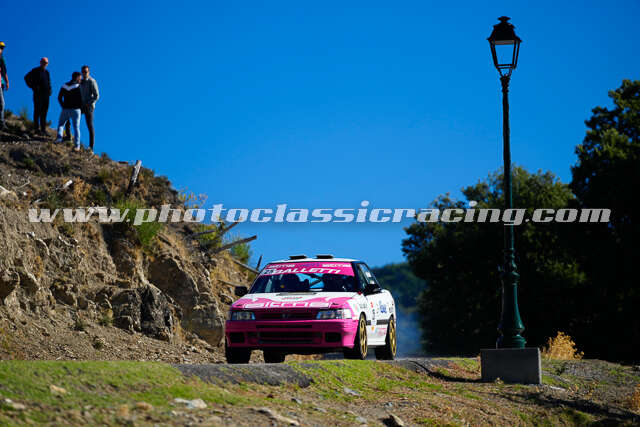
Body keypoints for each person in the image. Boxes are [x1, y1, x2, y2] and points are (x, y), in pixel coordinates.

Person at [55, 72, 83, 150]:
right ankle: (77, 146)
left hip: (66, 109)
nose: (80, 80)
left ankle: (59, 138)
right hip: (76, 110)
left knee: (61, 124)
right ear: (77, 78)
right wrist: (80, 108)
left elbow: (59, 97)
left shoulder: (64, 86)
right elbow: (82, 99)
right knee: (76, 127)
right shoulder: (79, 86)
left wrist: (63, 106)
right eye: (80, 78)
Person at [24, 58, 52, 134]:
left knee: (44, 112)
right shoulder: (35, 70)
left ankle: (43, 129)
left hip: (46, 95)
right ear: (40, 62)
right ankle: (36, 128)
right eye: (43, 62)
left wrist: (50, 89)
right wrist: (33, 87)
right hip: (38, 94)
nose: (44, 64)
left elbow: (49, 82)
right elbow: (26, 78)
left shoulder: (47, 72)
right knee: (37, 111)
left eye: (46, 63)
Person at [79, 65, 99, 152]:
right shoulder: (80, 82)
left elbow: (97, 96)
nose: (84, 73)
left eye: (86, 72)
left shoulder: (92, 81)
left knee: (89, 125)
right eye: (83, 72)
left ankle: (91, 147)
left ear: (88, 72)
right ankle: (69, 137)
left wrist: (88, 103)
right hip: (81, 105)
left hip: (89, 106)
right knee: (70, 116)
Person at [0, 42, 9, 130]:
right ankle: (1, 122)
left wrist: (7, 82)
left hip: (1, 83)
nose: (1, 49)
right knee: (1, 103)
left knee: (1, 103)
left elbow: (4, 71)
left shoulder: (2, 59)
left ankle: (1, 122)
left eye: (2, 48)